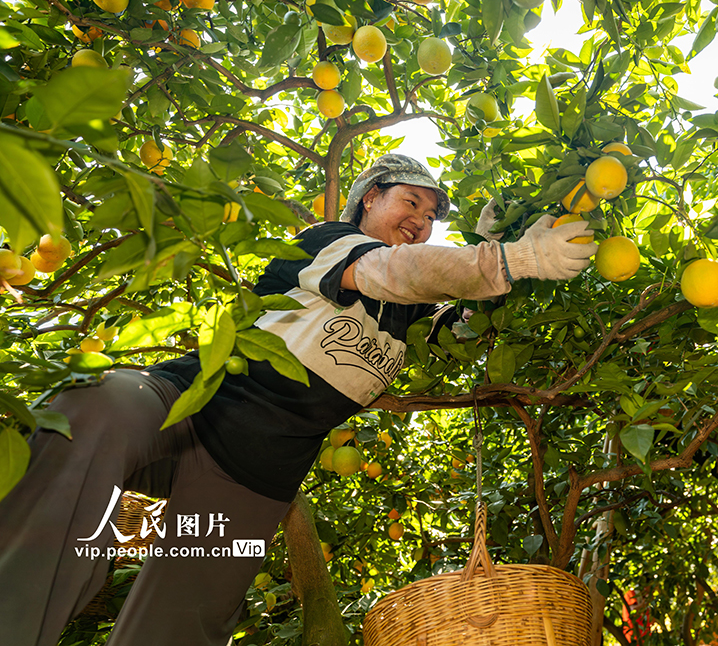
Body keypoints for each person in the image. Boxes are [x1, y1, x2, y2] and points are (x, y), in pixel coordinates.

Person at [0, 153, 598, 646]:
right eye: (410, 202)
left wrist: (503, 258)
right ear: (370, 199)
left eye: (433, 214)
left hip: (254, 472)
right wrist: (504, 260)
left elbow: (463, 330)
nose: (422, 219)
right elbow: (396, 272)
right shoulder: (330, 242)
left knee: (184, 618)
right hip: (181, 408)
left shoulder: (419, 308)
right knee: (93, 406)